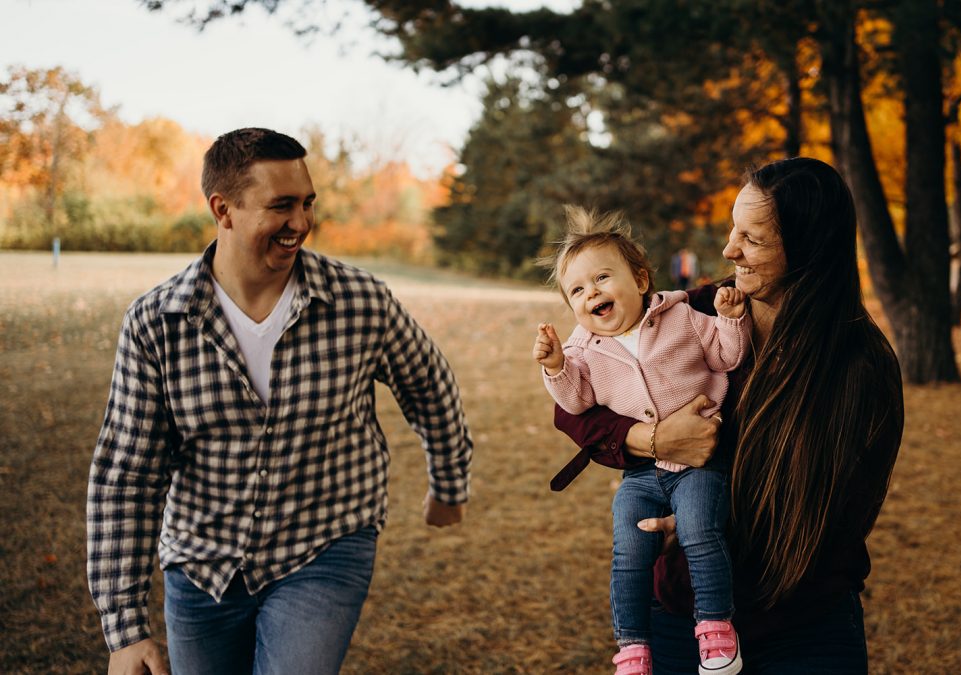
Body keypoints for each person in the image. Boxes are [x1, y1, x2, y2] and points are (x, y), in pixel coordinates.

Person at [86, 128, 473, 675]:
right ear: (224, 210)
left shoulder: (360, 302)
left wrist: (449, 483)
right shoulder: (156, 323)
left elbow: (428, 384)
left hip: (326, 540)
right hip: (203, 560)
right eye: (281, 205)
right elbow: (128, 472)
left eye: (307, 202)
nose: (301, 222)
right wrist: (124, 628)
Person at [553, 158, 904, 674]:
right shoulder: (697, 310)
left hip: (803, 622)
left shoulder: (859, 364)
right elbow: (576, 409)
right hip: (682, 609)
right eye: (732, 229)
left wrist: (700, 523)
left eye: (753, 239)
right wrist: (651, 440)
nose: (728, 250)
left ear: (807, 247)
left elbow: (832, 513)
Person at [533, 206, 750, 675]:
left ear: (640, 278)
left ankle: (715, 627)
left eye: (602, 278)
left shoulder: (683, 317)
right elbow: (574, 402)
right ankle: (632, 648)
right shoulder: (581, 350)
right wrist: (554, 367)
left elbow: (726, 358)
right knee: (629, 551)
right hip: (641, 475)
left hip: (697, 465)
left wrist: (731, 320)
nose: (591, 293)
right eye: (577, 290)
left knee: (699, 532)